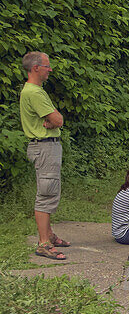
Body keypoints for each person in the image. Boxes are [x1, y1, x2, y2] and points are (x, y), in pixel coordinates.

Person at [19, 51, 69, 260]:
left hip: (47, 146)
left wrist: (53, 120)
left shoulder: (35, 91)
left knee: (50, 191)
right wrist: (54, 120)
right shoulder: (34, 93)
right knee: (46, 194)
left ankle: (49, 235)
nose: (50, 69)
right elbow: (58, 120)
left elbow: (54, 119)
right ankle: (43, 243)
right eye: (47, 66)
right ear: (35, 68)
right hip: (45, 147)